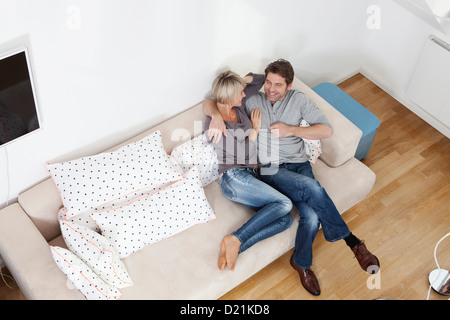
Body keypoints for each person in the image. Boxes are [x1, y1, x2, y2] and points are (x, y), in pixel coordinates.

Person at [204, 59, 380, 296]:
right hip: (269, 168)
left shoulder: (298, 99)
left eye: (278, 84)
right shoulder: (251, 100)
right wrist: (217, 112)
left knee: (310, 214)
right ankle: (353, 243)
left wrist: (292, 130)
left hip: (299, 163)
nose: (271, 89)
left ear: (289, 84)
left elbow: (326, 130)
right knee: (314, 189)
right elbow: (215, 101)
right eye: (268, 82)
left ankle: (301, 263)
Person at [204, 71, 294, 272]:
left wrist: (239, 81)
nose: (244, 95)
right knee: (285, 203)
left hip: (249, 175)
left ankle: (235, 246)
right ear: (229, 95)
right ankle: (235, 238)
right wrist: (254, 130)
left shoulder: (235, 107)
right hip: (233, 178)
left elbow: (261, 80)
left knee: (285, 220)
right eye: (240, 93)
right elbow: (243, 155)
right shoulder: (215, 125)